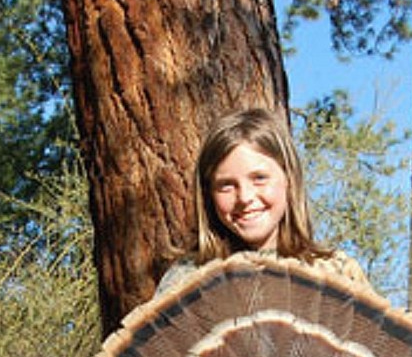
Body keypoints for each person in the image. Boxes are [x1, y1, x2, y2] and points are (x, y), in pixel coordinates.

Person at [156, 107, 369, 295]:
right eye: (226, 185)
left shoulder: (338, 273)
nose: (245, 198)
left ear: (289, 179)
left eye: (259, 178)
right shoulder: (186, 279)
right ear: (208, 193)